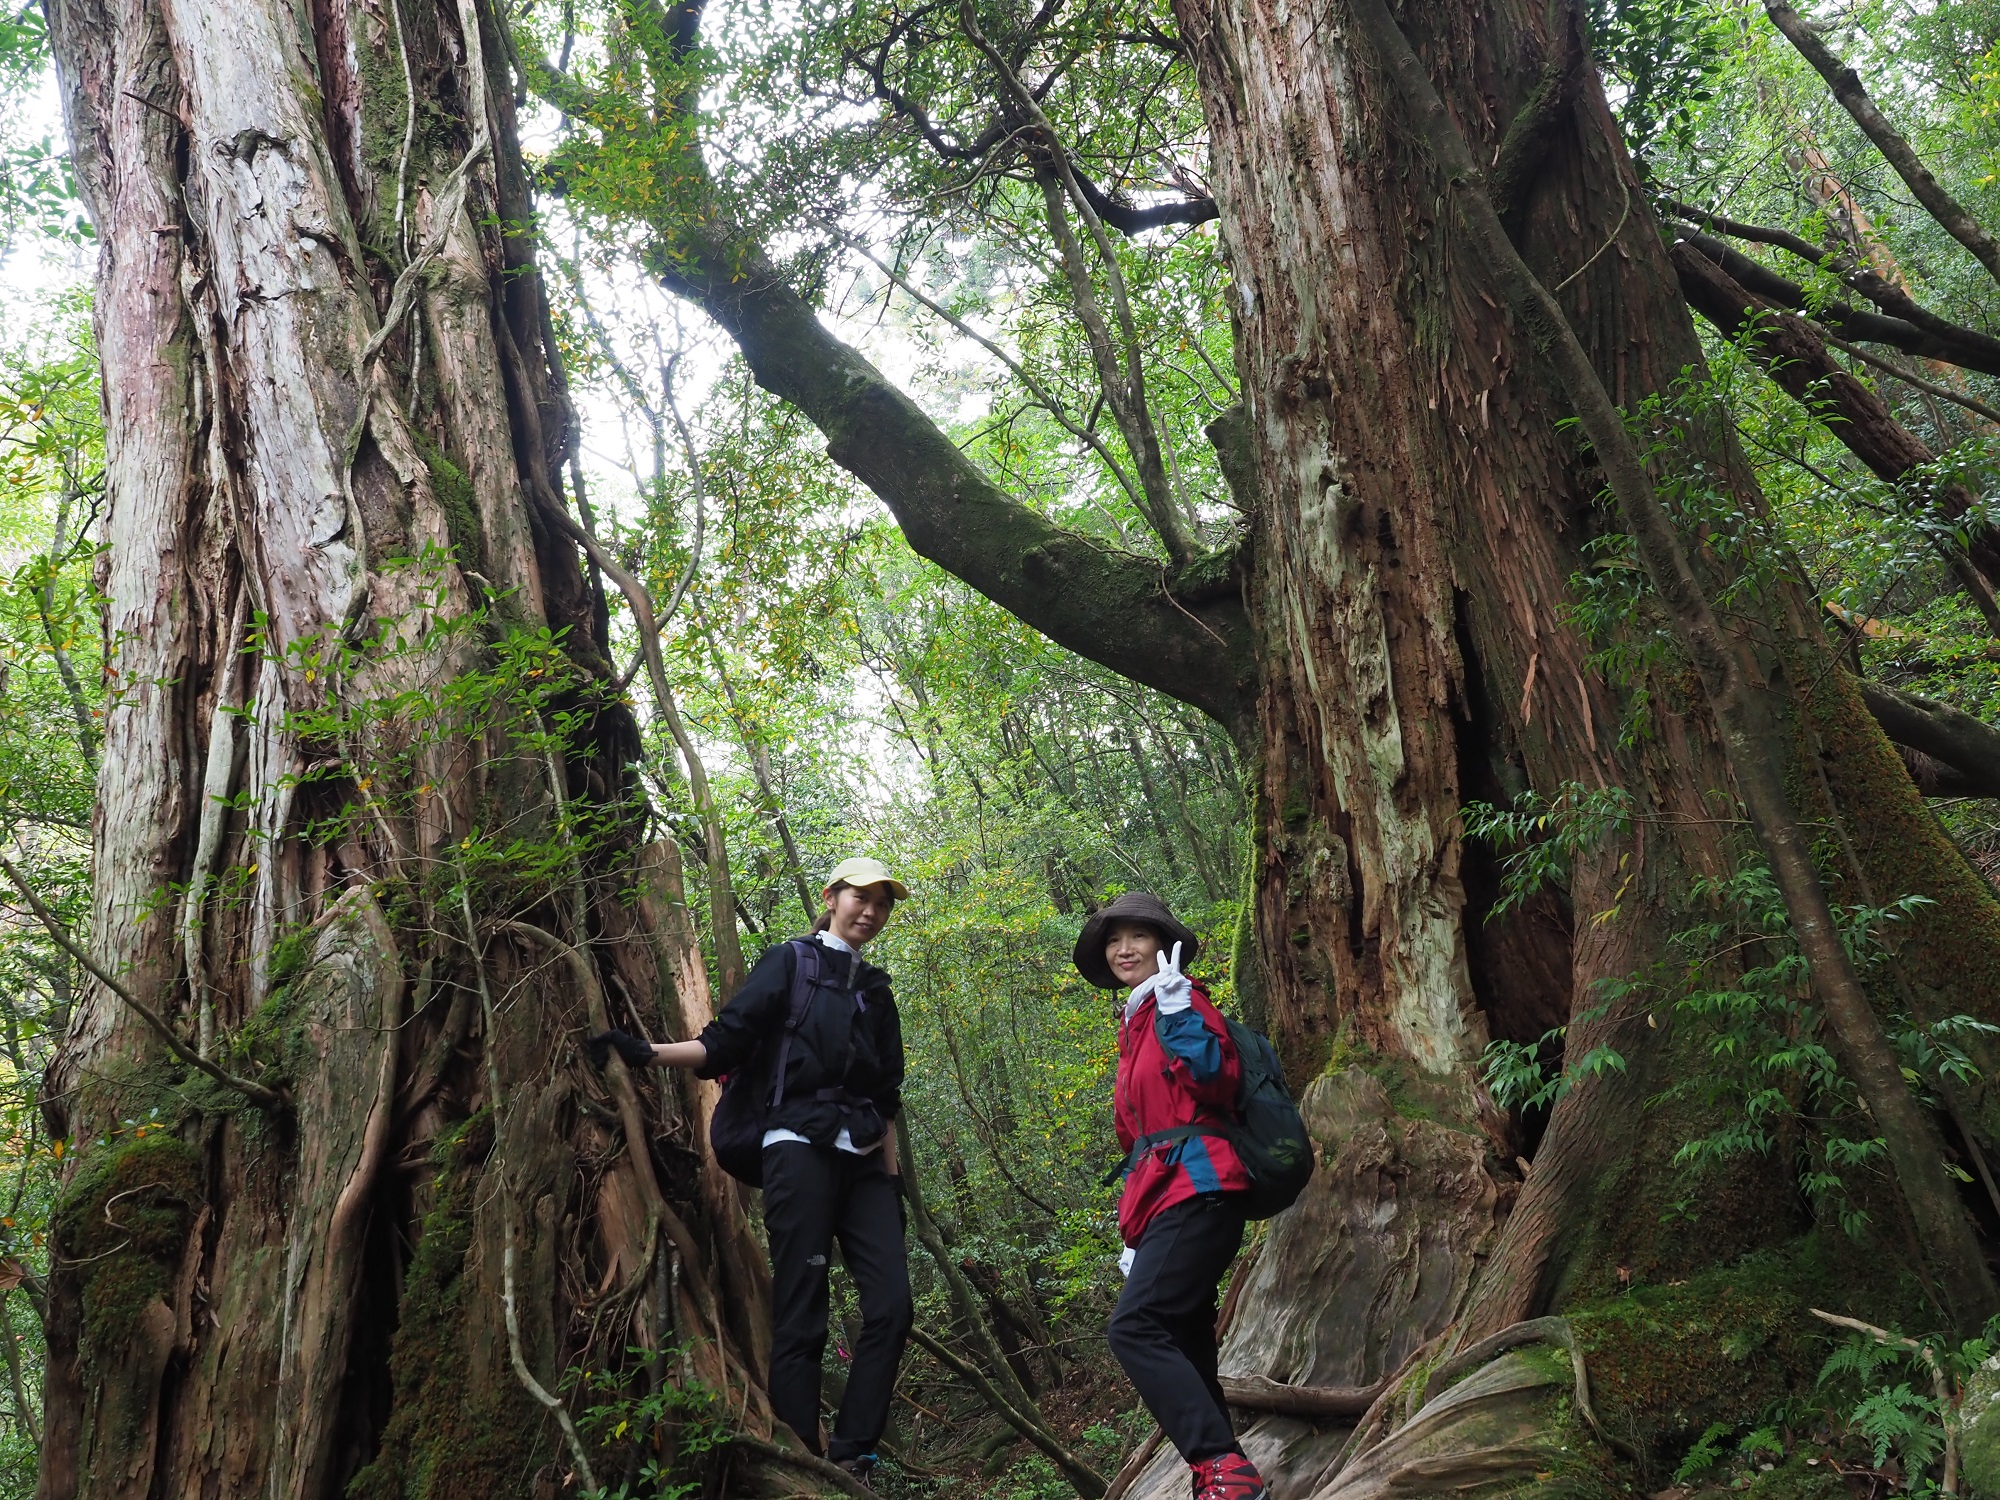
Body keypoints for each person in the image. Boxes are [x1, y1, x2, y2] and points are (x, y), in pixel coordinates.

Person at [588, 856, 914, 1487]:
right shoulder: (790, 963)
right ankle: (805, 1459)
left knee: (893, 1306)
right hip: (798, 1151)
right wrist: (645, 1053)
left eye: (882, 903)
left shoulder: (877, 991)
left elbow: (887, 1095)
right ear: (832, 897)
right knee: (802, 1311)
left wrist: (893, 1180)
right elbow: (725, 1043)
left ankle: (852, 1449)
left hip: (866, 1161)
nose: (870, 911)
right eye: (860, 898)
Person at [1074, 892, 1268, 1500]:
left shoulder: (1178, 1002)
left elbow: (1215, 1080)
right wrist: (1133, 1231)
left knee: (1134, 1327)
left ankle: (1220, 1467)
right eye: (1114, 940)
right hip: (1166, 1196)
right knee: (1185, 1338)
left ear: (1164, 946)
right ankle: (1226, 1473)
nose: (1125, 948)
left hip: (1203, 1187)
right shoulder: (1135, 1024)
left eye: (1138, 936)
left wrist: (1181, 1011)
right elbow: (1138, 1140)